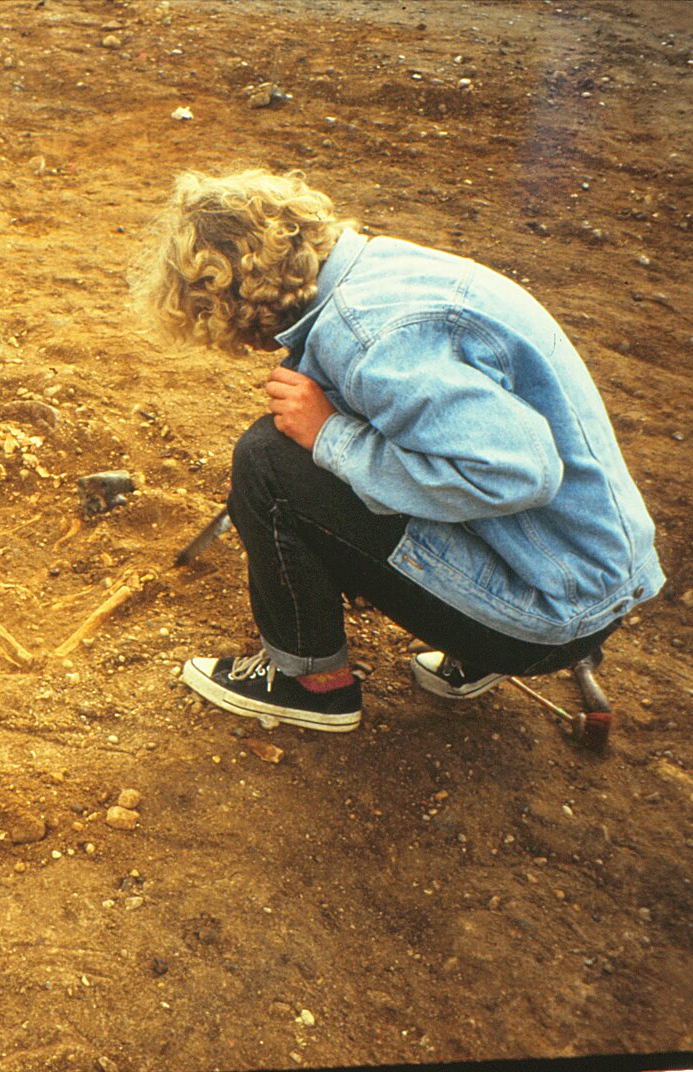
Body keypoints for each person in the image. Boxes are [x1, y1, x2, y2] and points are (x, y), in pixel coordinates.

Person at [136, 169, 663, 732]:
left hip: (550, 617)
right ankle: (478, 642)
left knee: (269, 461)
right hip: (594, 572)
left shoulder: (369, 340)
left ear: (235, 296)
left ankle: (311, 683)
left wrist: (330, 434)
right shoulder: (384, 268)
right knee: (333, 447)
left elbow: (519, 474)